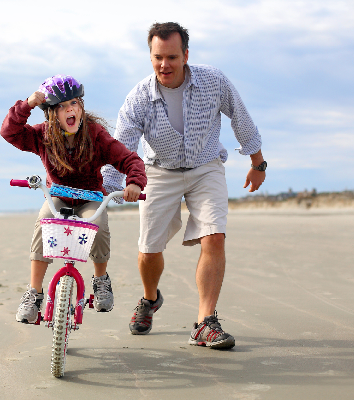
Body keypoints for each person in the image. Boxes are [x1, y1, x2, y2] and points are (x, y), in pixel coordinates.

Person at [102, 22, 266, 349]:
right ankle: (150, 299)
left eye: (172, 57)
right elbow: (121, 146)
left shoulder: (213, 81)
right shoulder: (138, 99)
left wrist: (257, 163)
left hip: (206, 167)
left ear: (186, 55)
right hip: (159, 171)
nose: (165, 65)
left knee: (214, 236)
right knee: (149, 250)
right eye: (158, 57)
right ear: (150, 57)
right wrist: (107, 187)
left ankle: (205, 322)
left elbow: (241, 117)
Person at [1, 75, 146, 324]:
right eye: (60, 106)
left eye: (74, 103)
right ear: (50, 114)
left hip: (90, 198)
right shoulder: (43, 135)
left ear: (81, 107)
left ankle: (100, 280)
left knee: (96, 224)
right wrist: (28, 104)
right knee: (45, 220)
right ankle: (34, 293)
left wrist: (134, 182)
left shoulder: (95, 134)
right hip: (58, 196)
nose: (69, 109)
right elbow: (10, 132)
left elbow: (130, 160)